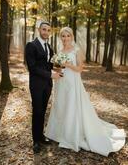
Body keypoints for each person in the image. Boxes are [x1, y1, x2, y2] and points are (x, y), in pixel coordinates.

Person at [45, 26, 126, 157]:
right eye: (63, 36)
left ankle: (71, 135)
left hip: (73, 82)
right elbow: (60, 68)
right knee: (61, 105)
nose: (66, 38)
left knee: (72, 106)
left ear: (72, 37)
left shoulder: (76, 50)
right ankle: (59, 133)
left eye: (68, 36)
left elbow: (79, 69)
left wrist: (67, 64)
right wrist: (58, 68)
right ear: (61, 37)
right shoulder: (60, 50)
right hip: (61, 82)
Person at [25, 21, 61, 154]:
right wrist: (51, 75)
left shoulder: (49, 47)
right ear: (39, 30)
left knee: (43, 111)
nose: (46, 32)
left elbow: (49, 65)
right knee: (37, 111)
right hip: (36, 84)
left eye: (48, 30)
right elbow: (32, 68)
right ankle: (35, 141)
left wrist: (59, 70)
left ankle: (41, 136)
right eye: (44, 29)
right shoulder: (31, 45)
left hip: (47, 85)